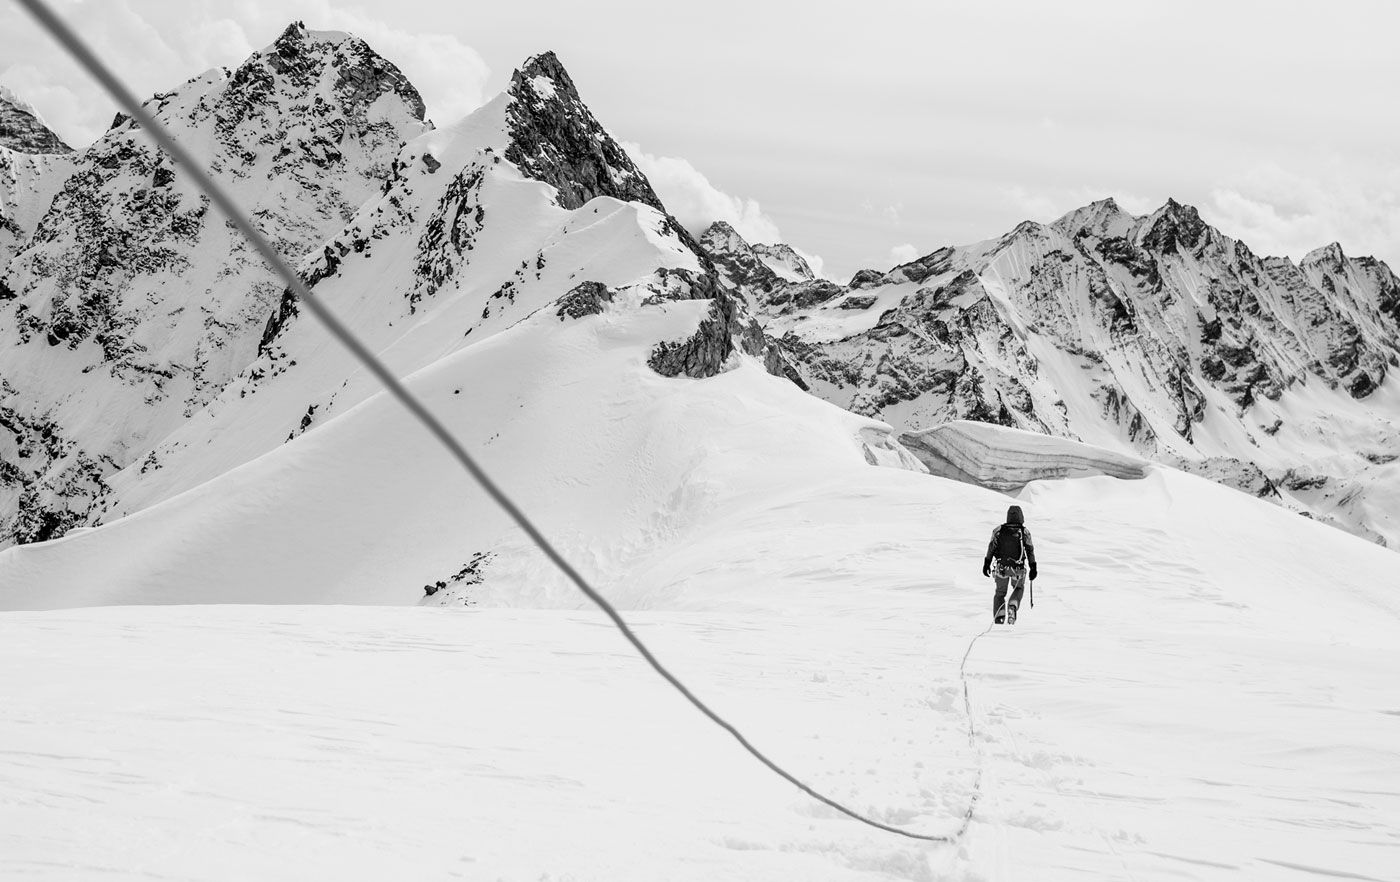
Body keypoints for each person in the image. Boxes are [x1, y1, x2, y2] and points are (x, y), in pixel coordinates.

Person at [982, 505, 1037, 624]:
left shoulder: (999, 530)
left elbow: (991, 547)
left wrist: (987, 563)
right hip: (1018, 570)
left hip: (1001, 568)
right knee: (1019, 588)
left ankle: (999, 618)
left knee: (1000, 593)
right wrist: (1033, 567)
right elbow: (1030, 550)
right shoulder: (1024, 531)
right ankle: (1013, 605)